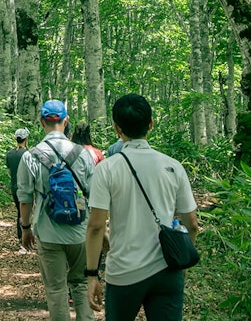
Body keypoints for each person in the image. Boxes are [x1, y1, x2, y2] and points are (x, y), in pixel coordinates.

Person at [84, 94, 199, 321]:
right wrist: (183, 263)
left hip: (124, 272)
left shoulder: (107, 169)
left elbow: (96, 227)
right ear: (151, 124)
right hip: (167, 269)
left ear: (117, 129)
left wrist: (91, 275)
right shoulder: (173, 167)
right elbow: (192, 224)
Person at [17, 100, 96, 321]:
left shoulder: (30, 156)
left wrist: (25, 228)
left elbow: (25, 198)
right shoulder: (83, 154)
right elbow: (93, 193)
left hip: (48, 231)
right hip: (80, 231)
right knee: (80, 284)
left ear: (42, 122)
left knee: (56, 289)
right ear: (66, 121)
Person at [6, 127, 31, 245]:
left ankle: (21, 237)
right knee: (25, 211)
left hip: (13, 187)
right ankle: (24, 237)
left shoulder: (10, 154)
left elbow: (10, 172)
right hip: (25, 187)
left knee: (19, 211)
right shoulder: (28, 154)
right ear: (26, 139)